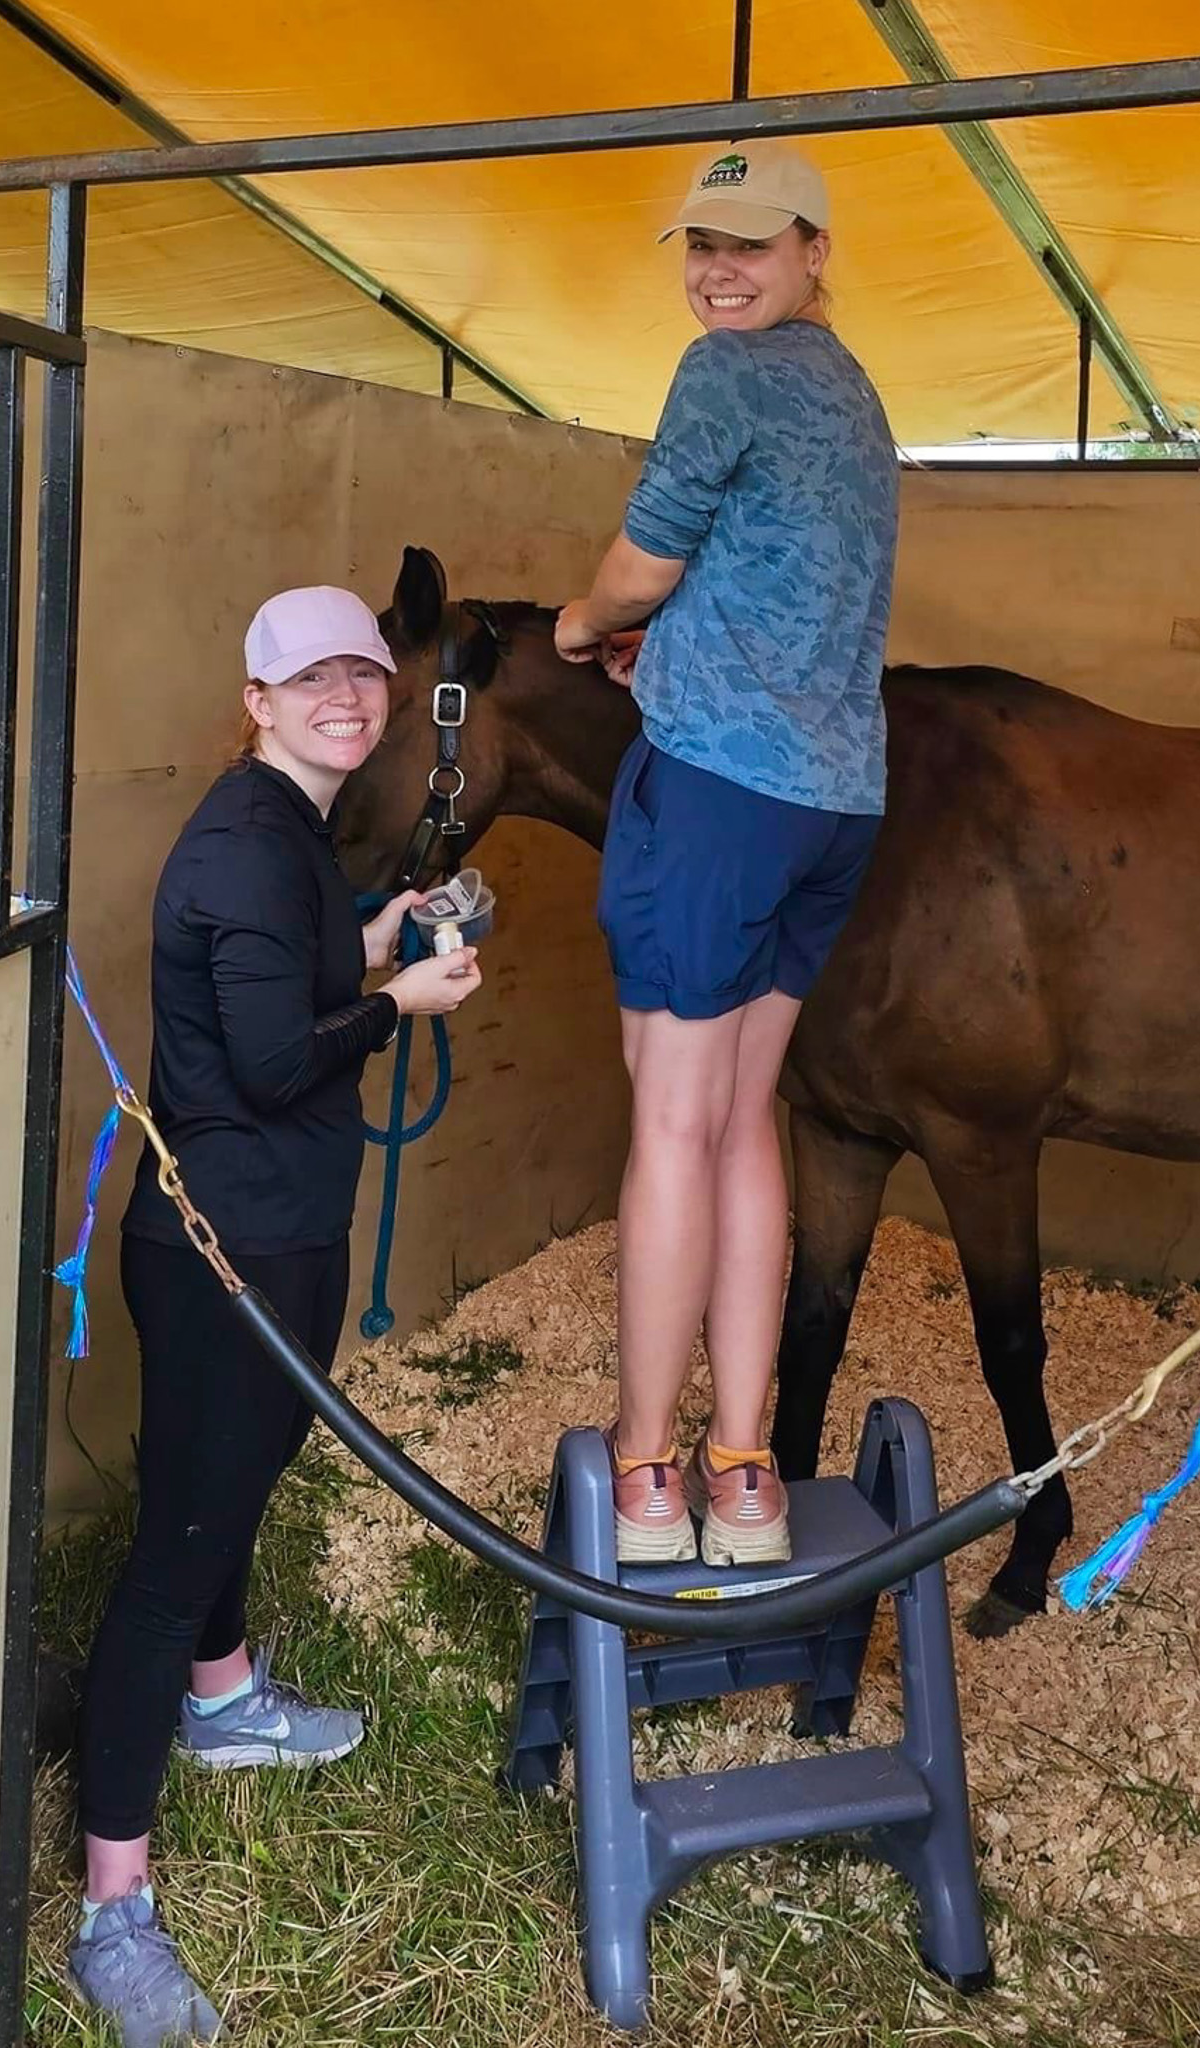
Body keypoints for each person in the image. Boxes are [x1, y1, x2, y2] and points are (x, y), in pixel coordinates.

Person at [69, 586, 483, 2047]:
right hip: (228, 1244)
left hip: (260, 1230)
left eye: (362, 675)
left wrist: (374, 937)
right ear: (255, 700)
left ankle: (228, 1698)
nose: (345, 698)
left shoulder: (288, 833)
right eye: (309, 679)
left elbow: (284, 983)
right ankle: (111, 1907)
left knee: (225, 1486)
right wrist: (404, 1003)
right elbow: (258, 1069)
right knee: (177, 1549)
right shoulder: (249, 848)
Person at [555, 140, 900, 1568]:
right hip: (833, 796)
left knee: (672, 1125)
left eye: (751, 246)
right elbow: (766, 578)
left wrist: (583, 631)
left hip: (718, 796)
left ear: (816, 252)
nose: (719, 270)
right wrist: (678, 646)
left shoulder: (726, 376)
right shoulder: (850, 392)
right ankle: (746, 1473)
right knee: (745, 1118)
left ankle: (645, 1481)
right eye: (703, 245)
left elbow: (646, 560)